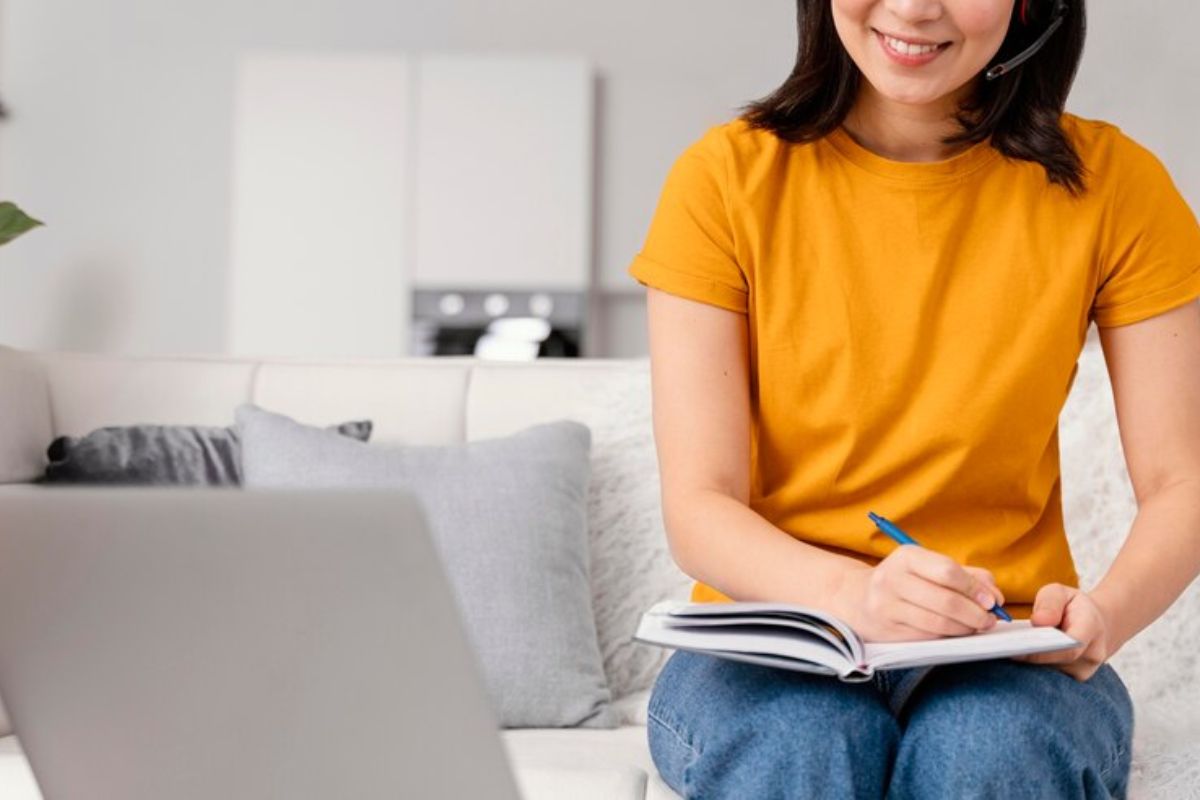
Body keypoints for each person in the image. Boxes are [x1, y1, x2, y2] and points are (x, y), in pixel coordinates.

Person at [627, 1, 1200, 797]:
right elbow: (699, 505)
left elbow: (1183, 481)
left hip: (1005, 643)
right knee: (801, 746)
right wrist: (857, 598)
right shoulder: (722, 180)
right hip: (775, 638)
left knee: (988, 756)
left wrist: (1108, 614)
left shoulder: (1117, 187)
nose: (912, 7)